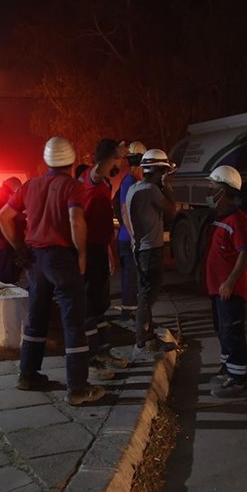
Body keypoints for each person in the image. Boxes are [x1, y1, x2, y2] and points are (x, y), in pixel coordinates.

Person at [0, 136, 106, 406]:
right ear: (71, 160)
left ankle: (28, 374)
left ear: (46, 161)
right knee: (73, 321)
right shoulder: (72, 186)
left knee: (37, 316)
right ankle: (78, 388)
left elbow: (3, 217)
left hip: (35, 259)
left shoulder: (30, 185)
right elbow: (75, 220)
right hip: (61, 258)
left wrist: (20, 248)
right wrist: (81, 255)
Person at [122, 147, 178, 357]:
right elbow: (172, 211)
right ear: (159, 171)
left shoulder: (134, 188)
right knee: (146, 297)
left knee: (145, 295)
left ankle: (149, 337)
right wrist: (168, 186)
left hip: (139, 248)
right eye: (163, 172)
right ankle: (142, 341)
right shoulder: (151, 190)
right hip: (150, 251)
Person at [203, 165, 247, 398]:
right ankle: (227, 369)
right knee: (222, 329)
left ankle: (238, 378)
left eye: (212, 187)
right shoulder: (220, 217)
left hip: (229, 290)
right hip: (218, 288)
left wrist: (230, 283)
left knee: (232, 331)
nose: (209, 191)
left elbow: (245, 252)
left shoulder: (237, 219)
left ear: (223, 191)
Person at [80, 138, 130, 372]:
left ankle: (102, 349)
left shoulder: (107, 185)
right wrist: (113, 153)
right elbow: (99, 170)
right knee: (89, 305)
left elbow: (105, 223)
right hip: (86, 250)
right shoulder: (91, 178)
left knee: (101, 304)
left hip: (100, 249)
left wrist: (111, 254)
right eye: (117, 158)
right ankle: (90, 355)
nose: (119, 163)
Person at [114, 140, 146, 322]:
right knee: (131, 277)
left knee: (132, 276)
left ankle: (131, 310)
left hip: (127, 237)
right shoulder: (130, 181)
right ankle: (129, 312)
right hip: (129, 239)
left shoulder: (131, 180)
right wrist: (135, 237)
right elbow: (126, 210)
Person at [0, 177, 24, 284]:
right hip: (4, 242)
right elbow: (5, 219)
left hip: (11, 241)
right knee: (7, 273)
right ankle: (4, 294)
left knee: (13, 271)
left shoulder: (4, 201)